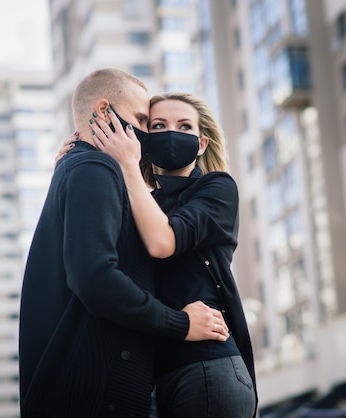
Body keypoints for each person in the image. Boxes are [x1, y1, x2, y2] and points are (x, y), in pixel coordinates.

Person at [18, 69, 230, 418]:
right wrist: (182, 323)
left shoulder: (85, 170)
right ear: (104, 112)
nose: (147, 135)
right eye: (142, 121)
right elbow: (96, 278)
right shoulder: (94, 169)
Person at [88, 92, 258, 418]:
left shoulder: (217, 188)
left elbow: (162, 242)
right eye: (159, 125)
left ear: (202, 143)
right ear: (144, 140)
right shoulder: (139, 201)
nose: (171, 133)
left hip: (207, 367)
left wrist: (127, 164)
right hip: (154, 381)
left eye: (184, 126)